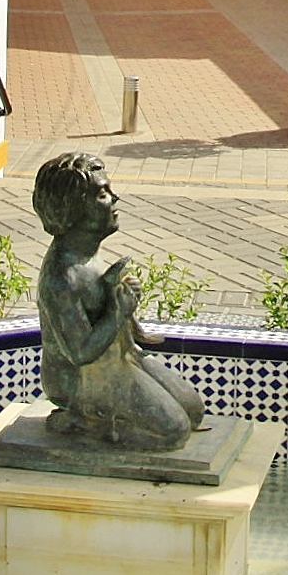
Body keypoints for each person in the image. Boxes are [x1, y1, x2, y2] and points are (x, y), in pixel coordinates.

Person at [31, 152, 205, 450]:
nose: (115, 198)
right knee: (173, 432)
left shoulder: (86, 253)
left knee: (193, 412)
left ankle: (102, 418)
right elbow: (79, 353)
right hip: (80, 381)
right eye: (102, 194)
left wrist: (125, 306)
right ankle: (85, 422)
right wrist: (118, 310)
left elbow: (103, 313)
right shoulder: (62, 277)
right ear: (72, 210)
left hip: (117, 360)